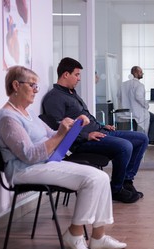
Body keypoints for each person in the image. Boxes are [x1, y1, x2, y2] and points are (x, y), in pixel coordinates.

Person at [0, 66, 126, 249]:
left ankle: (98, 237)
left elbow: (53, 136)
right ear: (16, 85)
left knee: (102, 177)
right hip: (24, 170)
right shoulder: (7, 118)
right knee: (93, 179)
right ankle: (75, 233)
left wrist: (73, 125)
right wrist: (61, 134)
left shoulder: (26, 114)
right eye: (32, 85)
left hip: (43, 163)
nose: (36, 90)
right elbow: (29, 155)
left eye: (36, 86)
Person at [42, 57, 148, 204]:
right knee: (125, 146)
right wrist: (86, 135)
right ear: (66, 74)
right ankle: (116, 189)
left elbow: (87, 116)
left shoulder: (71, 93)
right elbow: (58, 129)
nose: (79, 79)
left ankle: (126, 181)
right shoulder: (54, 98)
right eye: (77, 75)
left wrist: (102, 125)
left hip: (99, 131)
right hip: (83, 142)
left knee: (141, 138)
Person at [118, 66, 154, 146]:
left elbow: (119, 96)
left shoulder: (123, 85)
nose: (142, 73)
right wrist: (146, 105)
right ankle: (149, 140)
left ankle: (137, 141)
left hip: (126, 112)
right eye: (141, 72)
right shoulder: (139, 85)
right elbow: (138, 97)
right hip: (137, 112)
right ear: (135, 73)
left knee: (134, 121)